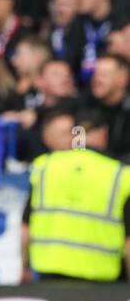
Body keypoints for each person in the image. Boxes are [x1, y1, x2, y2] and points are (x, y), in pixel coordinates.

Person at [22, 112, 130, 282]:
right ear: (103, 133)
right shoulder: (120, 175)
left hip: (48, 273)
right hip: (101, 279)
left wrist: (24, 266)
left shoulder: (45, 166)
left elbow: (25, 229)